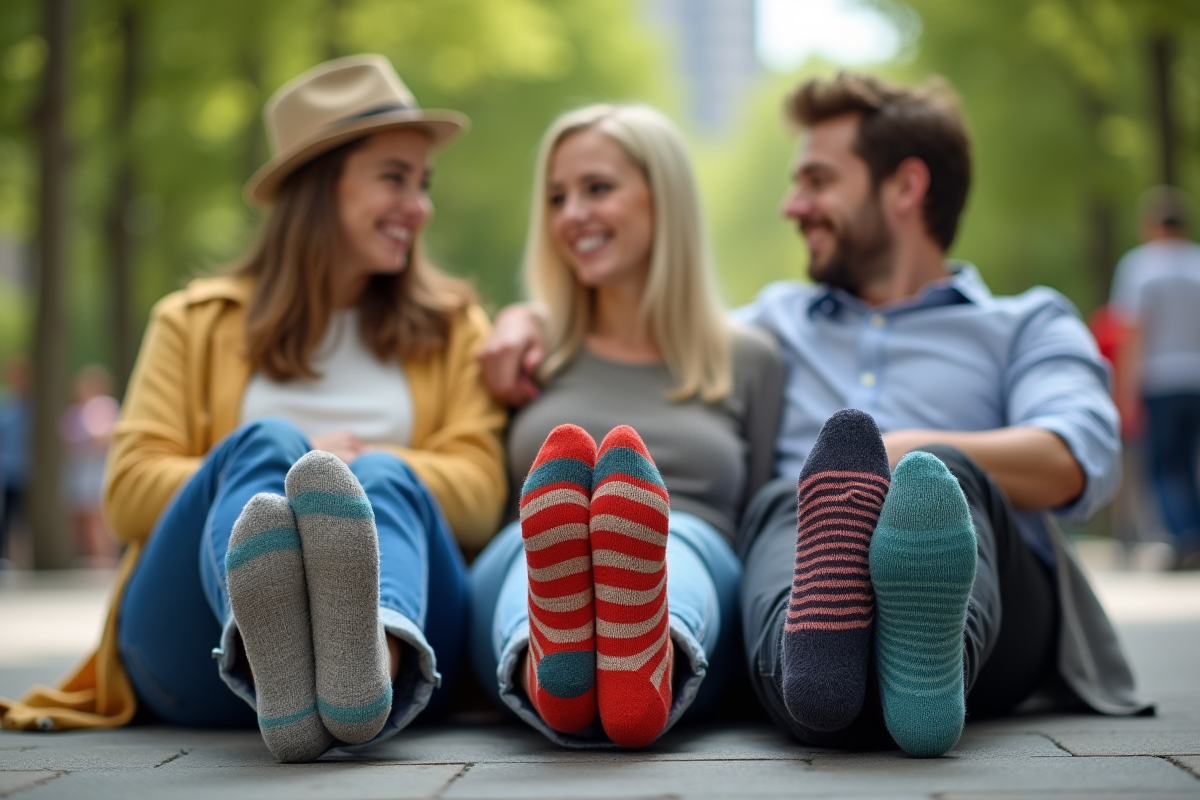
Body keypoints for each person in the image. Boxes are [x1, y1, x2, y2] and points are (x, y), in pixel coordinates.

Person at [480, 73, 1150, 758]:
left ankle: (923, 660)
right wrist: (531, 316)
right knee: (784, 505)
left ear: (904, 188)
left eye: (817, 181)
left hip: (996, 599)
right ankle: (824, 689)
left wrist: (889, 455)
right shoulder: (770, 325)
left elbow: (1074, 459)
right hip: (807, 561)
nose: (793, 206)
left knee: (937, 476)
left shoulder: (1025, 324)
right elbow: (650, 331)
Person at [0, 55, 507, 762]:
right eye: (394, 177)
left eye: (423, 183)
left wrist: (349, 467)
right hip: (202, 653)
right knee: (262, 443)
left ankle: (374, 665)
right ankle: (272, 655)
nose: (419, 205)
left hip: (417, 646)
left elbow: (482, 491)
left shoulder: (455, 328)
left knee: (387, 476)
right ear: (317, 186)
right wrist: (287, 468)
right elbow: (127, 491)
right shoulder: (193, 322)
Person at [468, 105, 784, 748]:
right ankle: (564, 662)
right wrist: (523, 317)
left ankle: (636, 650)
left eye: (598, 188)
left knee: (679, 541)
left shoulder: (749, 358)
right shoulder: (525, 349)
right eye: (558, 197)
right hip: (523, 550)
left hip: (696, 549)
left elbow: (756, 519)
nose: (572, 214)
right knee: (535, 547)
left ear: (663, 200)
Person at [1110, 186, 1200, 569]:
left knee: (1164, 464)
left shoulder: (1140, 266)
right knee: (1190, 461)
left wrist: (1124, 390)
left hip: (1158, 379)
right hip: (1196, 378)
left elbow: (1133, 332)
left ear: (1150, 226)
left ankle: (1184, 537)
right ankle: (1192, 530)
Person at [61, 364, 121, 567]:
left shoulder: (106, 406)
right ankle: (90, 558)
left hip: (98, 469)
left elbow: (105, 438)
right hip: (79, 469)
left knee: (99, 517)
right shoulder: (76, 410)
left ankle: (106, 559)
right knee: (81, 517)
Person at [0, 356, 30, 569]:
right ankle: (7, 561)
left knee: (26, 521)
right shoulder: (6, 404)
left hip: (31, 472)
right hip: (10, 471)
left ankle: (25, 561)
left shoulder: (37, 404)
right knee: (8, 519)